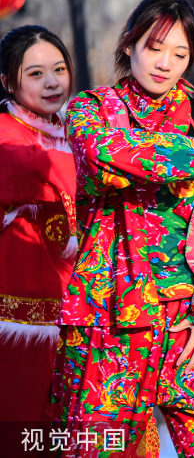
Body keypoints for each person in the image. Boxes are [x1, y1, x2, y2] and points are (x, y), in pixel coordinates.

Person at [53, 0, 194, 457]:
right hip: (109, 316)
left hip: (192, 317)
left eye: (180, 54)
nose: (166, 64)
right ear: (129, 44)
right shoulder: (90, 110)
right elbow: (108, 157)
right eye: (155, 48)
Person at [0, 26, 76, 424]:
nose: (52, 82)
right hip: (20, 324)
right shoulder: (6, 135)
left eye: (59, 69)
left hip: (82, 313)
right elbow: (28, 166)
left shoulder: (79, 131)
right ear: (7, 82)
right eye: (35, 73)